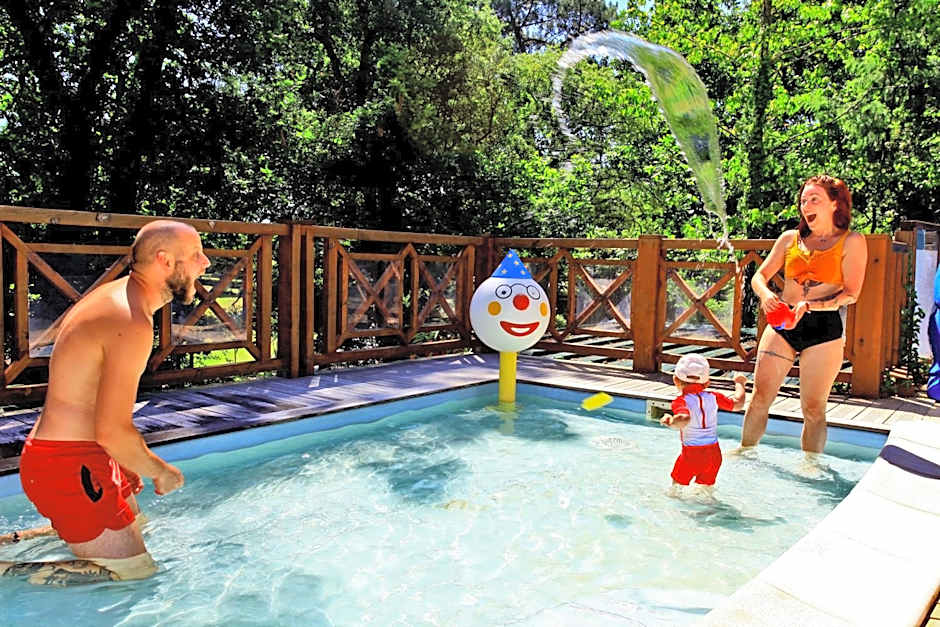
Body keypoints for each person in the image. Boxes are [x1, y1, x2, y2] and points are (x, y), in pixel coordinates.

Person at [0, 220, 210, 585]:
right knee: (135, 573)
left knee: (139, 525)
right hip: (69, 464)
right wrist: (160, 470)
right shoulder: (128, 320)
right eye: (195, 255)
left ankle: (12, 543)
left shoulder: (120, 299)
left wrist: (123, 464)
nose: (205, 263)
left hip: (74, 455)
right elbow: (113, 430)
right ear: (164, 260)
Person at [739, 175, 867, 456]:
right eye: (803, 200)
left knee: (813, 408)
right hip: (783, 323)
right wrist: (767, 295)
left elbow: (851, 293)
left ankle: (811, 467)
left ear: (835, 204)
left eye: (814, 199)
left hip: (824, 330)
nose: (805, 205)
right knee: (760, 397)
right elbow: (759, 277)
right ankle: (745, 453)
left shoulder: (852, 241)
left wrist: (812, 306)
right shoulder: (789, 239)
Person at [660, 354, 747, 497]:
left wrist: (670, 421)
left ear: (675, 380)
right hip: (714, 454)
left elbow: (684, 418)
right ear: (707, 383)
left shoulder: (681, 401)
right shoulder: (714, 396)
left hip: (692, 455)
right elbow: (738, 404)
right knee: (706, 492)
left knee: (675, 491)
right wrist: (739, 384)